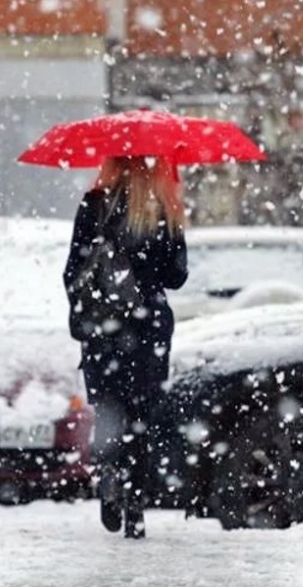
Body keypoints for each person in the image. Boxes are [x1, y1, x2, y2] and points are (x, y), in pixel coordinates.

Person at [63, 156, 188, 539]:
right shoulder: (163, 210)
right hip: (148, 327)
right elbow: (177, 277)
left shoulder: (94, 204)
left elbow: (72, 271)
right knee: (141, 419)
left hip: (105, 328)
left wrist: (97, 299)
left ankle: (109, 478)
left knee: (109, 412)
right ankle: (135, 508)